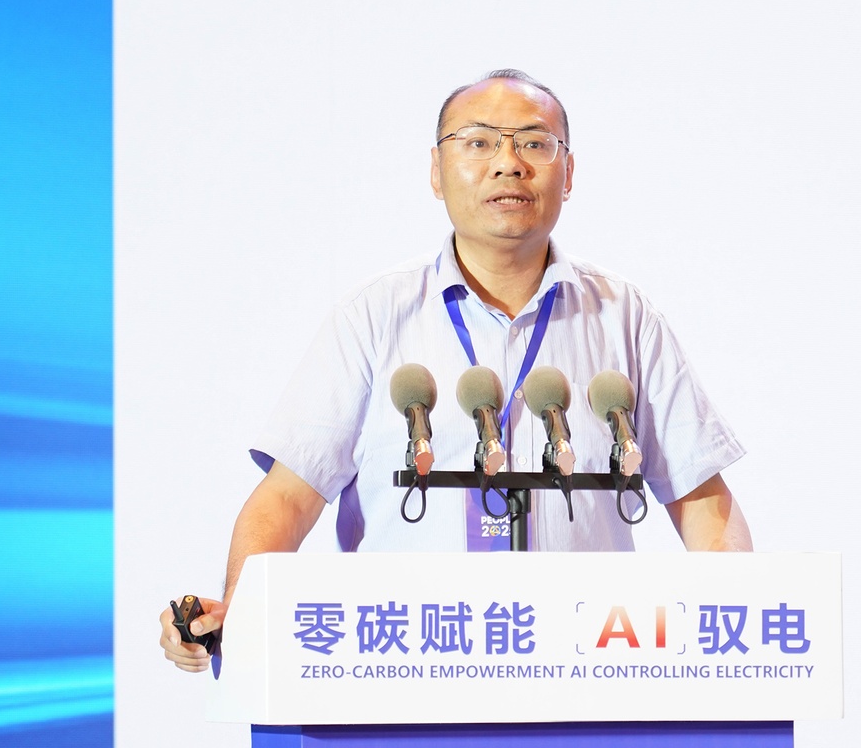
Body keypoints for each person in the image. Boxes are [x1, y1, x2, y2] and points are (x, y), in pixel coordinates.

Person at [161, 69, 752, 672]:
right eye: (478, 142)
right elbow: (287, 499)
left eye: (534, 143)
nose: (508, 164)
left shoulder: (624, 317)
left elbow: (704, 502)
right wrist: (240, 614)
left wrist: (737, 634)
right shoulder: (374, 316)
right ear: (436, 172)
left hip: (585, 672)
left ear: (569, 173)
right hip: (407, 670)